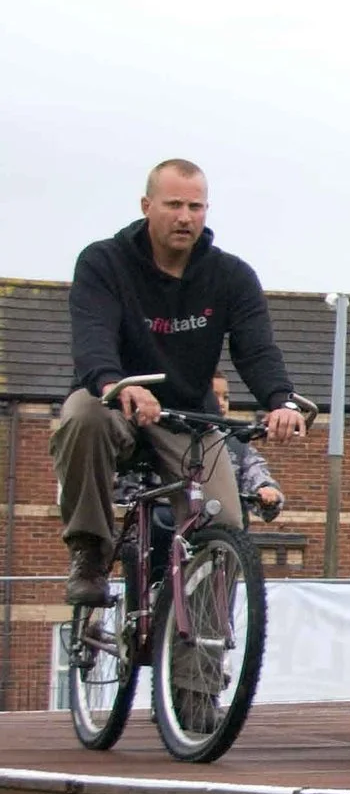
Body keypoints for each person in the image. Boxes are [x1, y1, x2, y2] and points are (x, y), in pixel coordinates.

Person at [51, 159, 307, 606]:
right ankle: (90, 551)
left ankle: (196, 670)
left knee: (225, 526)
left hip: (187, 417)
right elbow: (92, 337)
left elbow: (257, 350)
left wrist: (280, 401)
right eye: (173, 205)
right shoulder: (104, 262)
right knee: (80, 416)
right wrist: (118, 383)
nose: (185, 217)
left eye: (196, 206)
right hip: (116, 404)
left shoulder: (231, 276)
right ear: (147, 206)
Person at [210, 376, 286, 521]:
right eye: (214, 396)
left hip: (223, 533)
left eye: (225, 397)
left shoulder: (237, 444)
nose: (221, 403)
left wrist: (267, 490)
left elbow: (255, 471)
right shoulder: (174, 438)